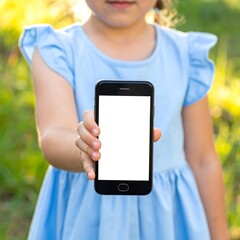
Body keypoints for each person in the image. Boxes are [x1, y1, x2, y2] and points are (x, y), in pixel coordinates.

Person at [19, 0, 229, 239]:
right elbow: (53, 135)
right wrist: (86, 147)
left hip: (166, 219)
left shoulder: (185, 55)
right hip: (86, 218)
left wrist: (220, 234)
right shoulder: (57, 49)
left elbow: (203, 161)